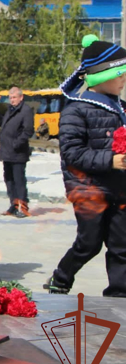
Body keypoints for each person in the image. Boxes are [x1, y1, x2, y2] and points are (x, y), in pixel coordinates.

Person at [45, 35, 126, 296]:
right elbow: (72, 152)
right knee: (89, 243)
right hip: (88, 188)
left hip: (120, 188)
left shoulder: (122, 108)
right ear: (101, 75)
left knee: (121, 244)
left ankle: (119, 294)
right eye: (120, 74)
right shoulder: (76, 110)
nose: (124, 80)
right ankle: (61, 277)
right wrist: (110, 160)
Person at [0, 86, 34, 218]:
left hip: (18, 152)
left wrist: (16, 144)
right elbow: (2, 123)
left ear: (21, 97)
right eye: (10, 97)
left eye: (14, 97)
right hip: (7, 151)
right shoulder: (11, 110)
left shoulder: (25, 111)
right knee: (9, 179)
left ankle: (23, 207)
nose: (12, 100)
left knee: (19, 180)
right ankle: (13, 205)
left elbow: (28, 131)